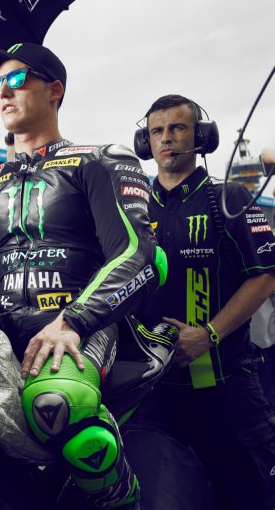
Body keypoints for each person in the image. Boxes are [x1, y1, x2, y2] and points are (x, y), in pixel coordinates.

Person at [0, 43, 162, 510]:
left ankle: (121, 499)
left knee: (57, 404)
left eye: (16, 80)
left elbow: (137, 254)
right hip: (2, 334)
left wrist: (73, 321)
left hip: (81, 325)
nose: (2, 92)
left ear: (54, 90)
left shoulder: (99, 159)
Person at [126, 94, 275, 510]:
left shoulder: (230, 197)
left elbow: (266, 274)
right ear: (146, 142)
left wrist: (209, 334)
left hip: (225, 390)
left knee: (248, 497)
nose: (166, 138)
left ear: (201, 136)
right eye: (157, 131)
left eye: (177, 128)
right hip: (151, 395)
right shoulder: (131, 209)